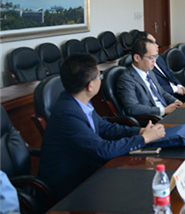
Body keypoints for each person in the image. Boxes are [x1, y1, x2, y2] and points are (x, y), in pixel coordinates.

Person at [38, 53, 166, 200]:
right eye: (99, 76)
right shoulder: (67, 113)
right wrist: (143, 139)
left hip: (89, 169)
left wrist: (140, 131)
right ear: (90, 86)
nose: (101, 79)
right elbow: (102, 150)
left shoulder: (79, 101)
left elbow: (106, 128)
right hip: (70, 185)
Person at [117, 39, 183, 118]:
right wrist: (163, 110)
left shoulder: (150, 72)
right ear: (137, 58)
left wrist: (176, 101)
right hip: (153, 119)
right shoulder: (126, 79)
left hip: (166, 113)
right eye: (151, 57)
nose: (154, 61)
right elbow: (132, 108)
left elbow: (161, 92)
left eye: (156, 56)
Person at [135, 32, 185, 99]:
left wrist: (179, 86)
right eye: (153, 43)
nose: (157, 45)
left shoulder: (158, 57)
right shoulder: (143, 65)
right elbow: (153, 88)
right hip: (166, 96)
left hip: (177, 93)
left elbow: (169, 73)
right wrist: (175, 89)